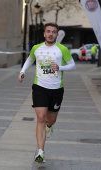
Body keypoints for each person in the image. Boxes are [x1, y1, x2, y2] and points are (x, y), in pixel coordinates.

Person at [18, 22, 76, 163]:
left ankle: (50, 126)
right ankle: (40, 152)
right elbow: (30, 60)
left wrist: (60, 67)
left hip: (56, 89)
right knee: (40, 118)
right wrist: (22, 71)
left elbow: (73, 65)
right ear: (44, 33)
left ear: (57, 34)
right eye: (48, 31)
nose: (51, 34)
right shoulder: (36, 48)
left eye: (54, 32)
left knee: (51, 119)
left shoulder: (62, 49)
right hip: (40, 87)